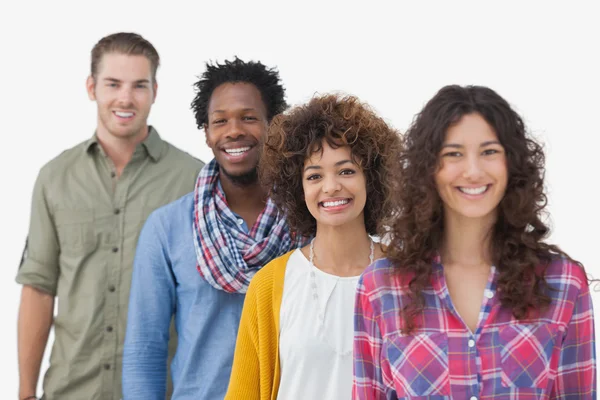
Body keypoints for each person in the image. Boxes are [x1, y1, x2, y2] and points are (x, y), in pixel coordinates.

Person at [352, 85, 597, 399]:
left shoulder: (563, 284)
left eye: (489, 152)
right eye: (454, 153)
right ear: (429, 169)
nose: (472, 170)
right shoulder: (380, 287)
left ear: (512, 164)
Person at [15, 32, 203, 400]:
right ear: (91, 87)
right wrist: (24, 391)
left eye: (139, 85)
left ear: (155, 91)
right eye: (113, 84)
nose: (125, 98)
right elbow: (38, 289)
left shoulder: (193, 180)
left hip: (162, 390)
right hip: (71, 389)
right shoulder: (55, 178)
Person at [122, 57, 304, 399]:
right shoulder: (168, 228)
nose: (234, 130)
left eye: (249, 118)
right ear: (207, 133)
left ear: (274, 126)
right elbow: (145, 349)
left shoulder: (306, 220)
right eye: (220, 121)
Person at [225, 93, 402, 400]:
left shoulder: (408, 280)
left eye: (346, 170)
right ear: (299, 188)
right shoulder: (270, 286)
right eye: (315, 175)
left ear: (371, 179)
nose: (331, 186)